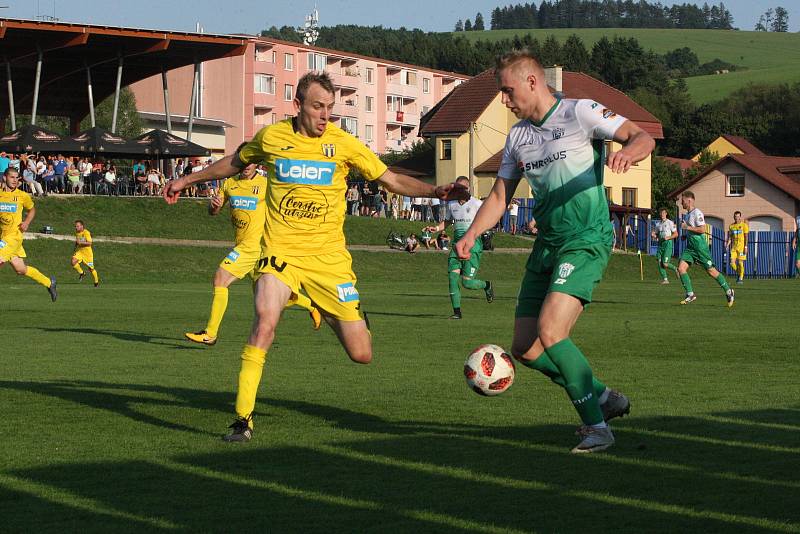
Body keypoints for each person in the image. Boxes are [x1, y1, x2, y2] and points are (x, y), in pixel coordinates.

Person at [164, 71, 465, 442]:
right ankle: (242, 421)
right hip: (280, 254)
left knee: (362, 354)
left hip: (329, 261)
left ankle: (316, 303)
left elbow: (390, 179)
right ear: (299, 105)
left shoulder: (343, 144)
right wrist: (186, 180)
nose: (326, 116)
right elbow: (234, 163)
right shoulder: (272, 138)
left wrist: (437, 190)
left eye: (330, 109)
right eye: (318, 107)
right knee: (264, 324)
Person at [455, 49, 655, 453]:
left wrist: (628, 153)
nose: (506, 102)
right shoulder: (517, 138)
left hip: (586, 239)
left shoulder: (581, 112)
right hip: (547, 245)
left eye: (508, 92)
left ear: (532, 81)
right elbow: (498, 196)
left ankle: (597, 428)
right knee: (525, 348)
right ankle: (601, 396)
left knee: (552, 331)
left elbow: (642, 136)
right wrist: (472, 234)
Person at [185, 151, 322, 346]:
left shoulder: (266, 185)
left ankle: (210, 333)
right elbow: (213, 211)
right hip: (242, 244)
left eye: (251, 162)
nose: (247, 166)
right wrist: (214, 206)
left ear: (257, 164)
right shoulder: (230, 184)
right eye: (244, 162)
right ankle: (311, 306)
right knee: (268, 293)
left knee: (220, 279)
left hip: (254, 246)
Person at [425, 176, 494, 320]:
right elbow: (448, 221)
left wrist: (484, 234)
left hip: (473, 246)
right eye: (457, 188)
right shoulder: (452, 204)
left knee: (467, 283)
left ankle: (487, 285)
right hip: (456, 246)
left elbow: (488, 220)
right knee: (452, 278)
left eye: (462, 188)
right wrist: (436, 228)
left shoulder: (477, 203)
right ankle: (457, 312)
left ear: (468, 189)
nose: (459, 190)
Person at [0, 168, 58, 301]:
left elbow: (32, 210)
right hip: (3, 236)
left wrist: (26, 222)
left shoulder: (22, 195)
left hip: (15, 236)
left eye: (17, 178)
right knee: (20, 269)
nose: (15, 180)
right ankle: (49, 283)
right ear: (4, 178)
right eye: (12, 177)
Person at [677, 191, 734, 306]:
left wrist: (686, 227)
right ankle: (690, 294)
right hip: (691, 248)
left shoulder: (697, 213)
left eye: (682, 201)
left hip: (700, 248)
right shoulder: (687, 215)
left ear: (689, 200)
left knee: (711, 271)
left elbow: (702, 229)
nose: (681, 203)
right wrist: (685, 235)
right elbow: (692, 230)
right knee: (681, 268)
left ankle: (729, 291)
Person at [651, 208, 678, 284]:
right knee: (659, 262)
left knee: (665, 264)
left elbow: (676, 234)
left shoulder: (670, 222)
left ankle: (676, 269)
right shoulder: (658, 224)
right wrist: (653, 235)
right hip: (660, 244)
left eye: (663, 213)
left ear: (666, 214)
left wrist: (668, 237)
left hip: (668, 244)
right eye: (661, 213)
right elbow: (656, 234)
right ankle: (665, 279)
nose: (662, 214)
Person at [71, 219, 100, 287]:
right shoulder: (77, 232)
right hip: (80, 252)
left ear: (82, 226)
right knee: (73, 261)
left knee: (91, 269)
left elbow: (90, 243)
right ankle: (82, 273)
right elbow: (77, 240)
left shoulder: (86, 232)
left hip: (88, 254)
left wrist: (80, 242)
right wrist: (76, 246)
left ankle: (96, 282)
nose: (76, 227)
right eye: (75, 226)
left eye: (77, 226)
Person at [725, 211, 748, 284]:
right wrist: (728, 244)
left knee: (740, 263)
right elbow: (730, 237)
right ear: (733, 217)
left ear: (740, 217)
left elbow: (746, 237)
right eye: (735, 216)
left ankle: (740, 278)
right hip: (734, 248)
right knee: (732, 263)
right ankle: (739, 273)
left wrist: (746, 247)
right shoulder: (731, 226)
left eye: (738, 216)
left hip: (741, 248)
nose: (736, 218)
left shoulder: (744, 225)